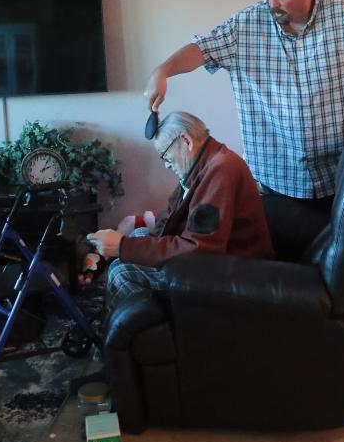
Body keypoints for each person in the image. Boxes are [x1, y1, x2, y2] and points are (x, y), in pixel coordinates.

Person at [144, 0, 344, 203]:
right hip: (277, 180)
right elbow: (203, 48)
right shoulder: (246, 25)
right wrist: (163, 71)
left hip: (341, 173)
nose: (272, 4)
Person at [86, 111, 274, 308]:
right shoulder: (202, 165)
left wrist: (124, 247)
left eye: (165, 156)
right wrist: (130, 243)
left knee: (120, 272)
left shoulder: (221, 169)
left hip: (232, 271)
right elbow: (168, 219)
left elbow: (201, 248)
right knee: (140, 233)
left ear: (186, 140)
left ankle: (141, 332)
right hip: (214, 260)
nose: (167, 165)